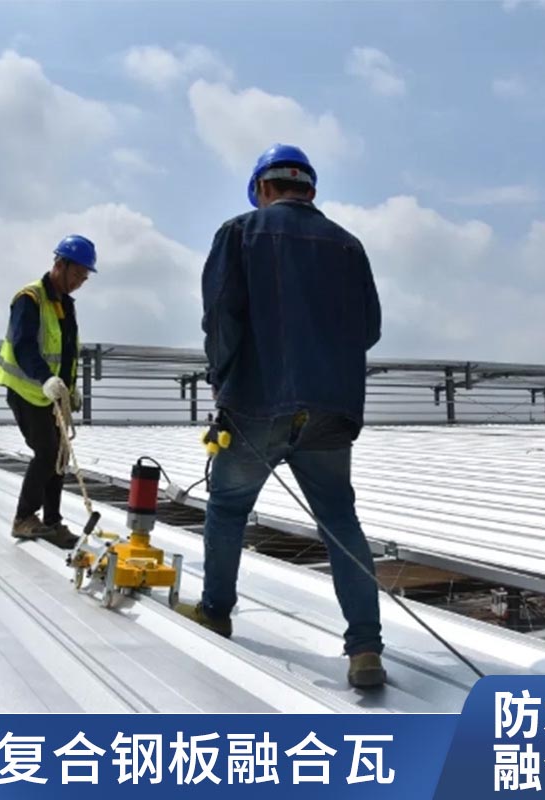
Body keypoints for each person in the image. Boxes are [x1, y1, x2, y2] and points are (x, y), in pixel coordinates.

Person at [177, 144, 386, 689]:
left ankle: (216, 611)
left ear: (263, 188)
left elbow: (221, 319)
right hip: (332, 410)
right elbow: (368, 330)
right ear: (310, 190)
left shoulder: (239, 233)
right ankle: (366, 648)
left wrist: (223, 379)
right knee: (339, 521)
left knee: (228, 509)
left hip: (257, 402)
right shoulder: (349, 246)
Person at [0, 235, 97, 549]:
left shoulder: (66, 305)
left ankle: (52, 522)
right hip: (27, 390)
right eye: (76, 274)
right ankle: (24, 517)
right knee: (48, 452)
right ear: (59, 265)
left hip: (51, 396)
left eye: (84, 278)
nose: (79, 283)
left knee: (60, 456)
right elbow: (23, 346)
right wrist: (46, 379)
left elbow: (67, 353)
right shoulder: (30, 298)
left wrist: (71, 390)